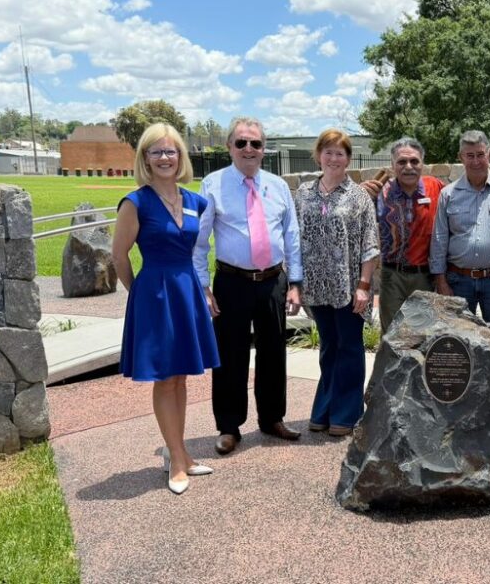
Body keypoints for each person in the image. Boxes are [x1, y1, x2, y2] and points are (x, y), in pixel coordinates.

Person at [114, 123, 220, 494]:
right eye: (156, 151)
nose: (164, 157)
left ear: (180, 156)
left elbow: (197, 249)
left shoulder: (195, 202)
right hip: (156, 294)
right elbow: (119, 255)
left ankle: (181, 452)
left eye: (170, 151)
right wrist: (140, 294)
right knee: (165, 377)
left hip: (186, 289)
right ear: (145, 158)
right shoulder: (135, 203)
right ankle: (175, 458)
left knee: (181, 376)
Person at [193, 117, 304, 456]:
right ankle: (229, 426)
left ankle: (272, 418)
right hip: (232, 282)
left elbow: (291, 235)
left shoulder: (278, 186)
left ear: (264, 148)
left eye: (255, 143)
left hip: (272, 281)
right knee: (230, 356)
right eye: (241, 142)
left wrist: (295, 282)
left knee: (274, 353)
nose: (248, 149)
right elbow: (199, 241)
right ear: (229, 147)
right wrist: (204, 288)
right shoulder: (213, 184)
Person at [294, 129, 380, 437]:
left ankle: (347, 412)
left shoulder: (358, 196)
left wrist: (364, 285)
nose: (333, 158)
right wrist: (295, 283)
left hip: (348, 287)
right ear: (318, 155)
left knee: (349, 347)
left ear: (348, 159)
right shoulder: (303, 193)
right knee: (329, 347)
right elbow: (293, 239)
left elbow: (370, 243)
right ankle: (324, 409)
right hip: (315, 286)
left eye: (339, 153)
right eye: (328, 152)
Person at [429, 130, 490, 328]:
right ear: (461, 157)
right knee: (457, 340)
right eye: (470, 155)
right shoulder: (448, 194)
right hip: (458, 281)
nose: (476, 161)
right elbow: (439, 239)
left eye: (480, 154)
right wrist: (440, 280)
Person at [372, 137, 443, 333]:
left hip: (424, 277)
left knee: (422, 336)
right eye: (402, 162)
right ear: (393, 165)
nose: (408, 167)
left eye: (414, 161)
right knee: (392, 336)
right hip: (391, 277)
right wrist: (360, 192)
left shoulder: (435, 187)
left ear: (422, 163)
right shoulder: (380, 192)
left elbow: (465, 189)